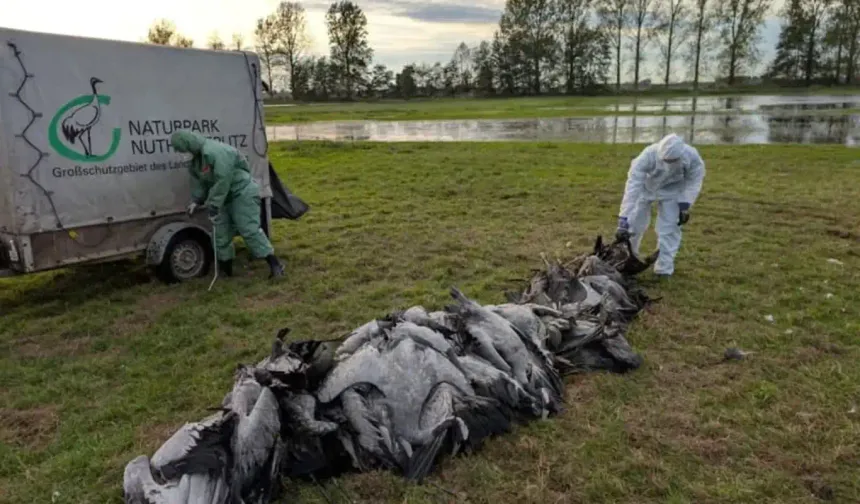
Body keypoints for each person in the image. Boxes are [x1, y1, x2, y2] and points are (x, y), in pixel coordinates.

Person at [170, 130, 285, 279]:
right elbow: (200, 183)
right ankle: (226, 271)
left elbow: (223, 180)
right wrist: (196, 201)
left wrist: (213, 204)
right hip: (223, 198)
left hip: (241, 192)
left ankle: (275, 265)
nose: (182, 154)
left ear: (189, 144)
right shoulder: (195, 162)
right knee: (220, 234)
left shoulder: (216, 152)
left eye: (182, 150)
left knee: (249, 229)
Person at [615, 133, 705, 277]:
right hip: (645, 189)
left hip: (673, 191)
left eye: (672, 161)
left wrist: (685, 204)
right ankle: (626, 262)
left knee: (669, 228)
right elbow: (633, 186)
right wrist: (623, 218)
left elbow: (694, 181)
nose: (668, 164)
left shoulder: (692, 157)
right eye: (665, 160)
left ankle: (664, 269)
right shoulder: (647, 156)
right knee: (633, 224)